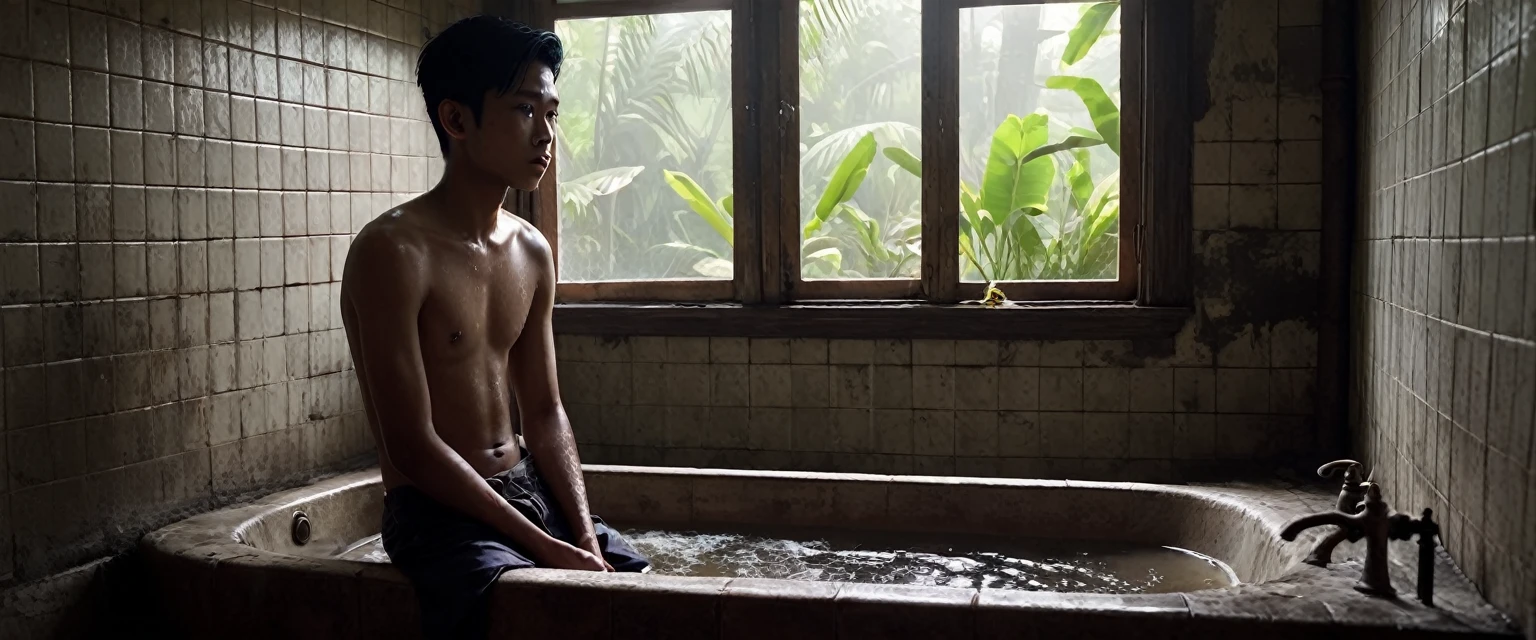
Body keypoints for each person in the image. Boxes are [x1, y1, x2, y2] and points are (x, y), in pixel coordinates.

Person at [339, 15, 650, 639]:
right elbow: (412, 447)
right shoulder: (394, 253)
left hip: (526, 492)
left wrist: (581, 533)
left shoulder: (531, 251)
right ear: (457, 120)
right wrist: (548, 549)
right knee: (545, 607)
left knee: (642, 591)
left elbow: (544, 409)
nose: (546, 134)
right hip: (437, 516)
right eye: (523, 110)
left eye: (552, 113)